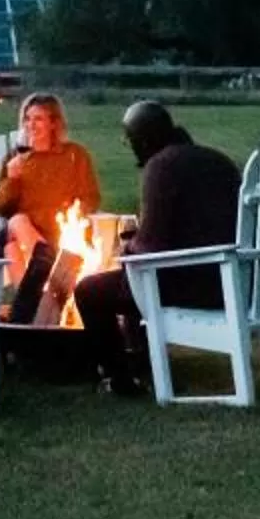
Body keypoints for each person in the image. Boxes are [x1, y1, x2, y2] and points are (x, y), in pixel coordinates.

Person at [72, 100, 241, 396]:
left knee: (90, 290)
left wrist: (127, 249)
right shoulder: (219, 160)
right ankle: (143, 364)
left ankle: (119, 380)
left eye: (131, 141)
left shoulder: (161, 166)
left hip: (191, 286)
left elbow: (151, 244)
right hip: (233, 280)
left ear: (144, 140)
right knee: (133, 279)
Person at [0, 92, 101, 253]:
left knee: (12, 252)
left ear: (54, 123)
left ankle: (43, 264)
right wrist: (12, 179)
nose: (31, 125)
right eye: (27, 119)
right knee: (18, 221)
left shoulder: (74, 155)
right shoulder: (14, 158)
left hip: (62, 231)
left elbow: (90, 198)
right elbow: (1, 208)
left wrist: (68, 217)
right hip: (22, 231)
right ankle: (48, 262)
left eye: (38, 119)